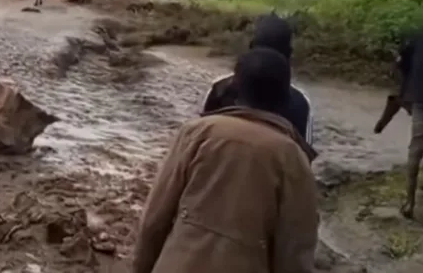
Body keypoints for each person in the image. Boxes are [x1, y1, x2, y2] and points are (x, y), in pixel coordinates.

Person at [131, 47, 319, 273]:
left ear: (234, 88)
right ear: (286, 98)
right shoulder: (293, 157)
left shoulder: (197, 132)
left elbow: (155, 217)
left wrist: (141, 268)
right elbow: (295, 248)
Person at [201, 13, 315, 157]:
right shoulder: (301, 102)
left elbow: (200, 140)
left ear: (251, 47)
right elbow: (305, 159)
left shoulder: (219, 89)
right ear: (289, 54)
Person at [375, 32, 423, 218]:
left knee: (416, 150)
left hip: (419, 97)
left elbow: (402, 65)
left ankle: (409, 202)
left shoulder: (415, 38)